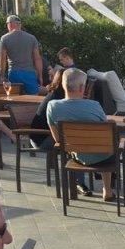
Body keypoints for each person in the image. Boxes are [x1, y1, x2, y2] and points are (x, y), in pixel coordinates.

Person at [46, 68, 115, 202]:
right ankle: (107, 189)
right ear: (82, 88)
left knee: (102, 144)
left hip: (76, 157)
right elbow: (105, 130)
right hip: (103, 158)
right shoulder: (95, 106)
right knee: (109, 144)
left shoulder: (52, 106)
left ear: (63, 85)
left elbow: (57, 139)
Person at [0, 14, 43, 95]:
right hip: (29, 73)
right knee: (34, 99)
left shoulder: (4, 38)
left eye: (7, 24)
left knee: (15, 98)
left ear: (10, 24)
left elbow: (2, 59)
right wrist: (40, 76)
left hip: (14, 73)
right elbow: (37, 58)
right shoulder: (32, 38)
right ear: (19, 25)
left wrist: (2, 76)